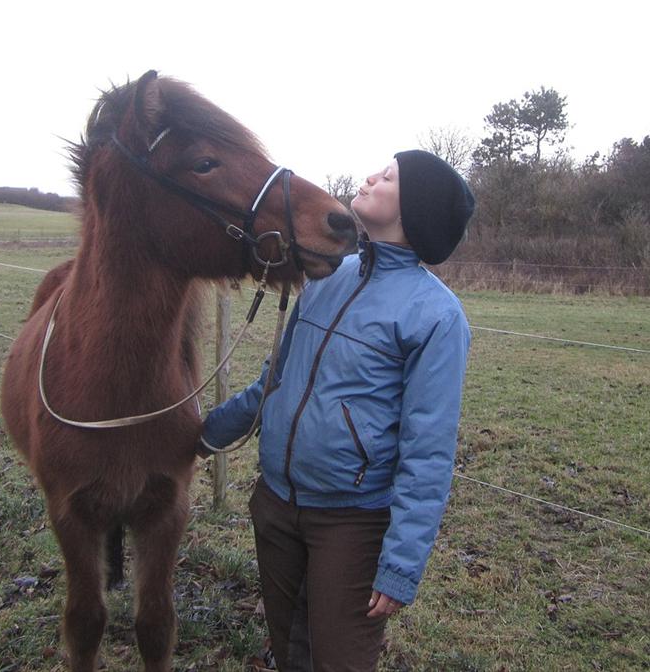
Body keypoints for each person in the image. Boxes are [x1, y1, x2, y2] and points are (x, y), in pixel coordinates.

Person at [198, 150, 476, 672]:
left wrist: (400, 565)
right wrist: (204, 433)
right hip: (276, 505)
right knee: (288, 649)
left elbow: (429, 451)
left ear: (413, 213)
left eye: (389, 176)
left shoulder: (436, 316)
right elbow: (272, 381)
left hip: (352, 523)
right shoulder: (327, 275)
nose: (371, 176)